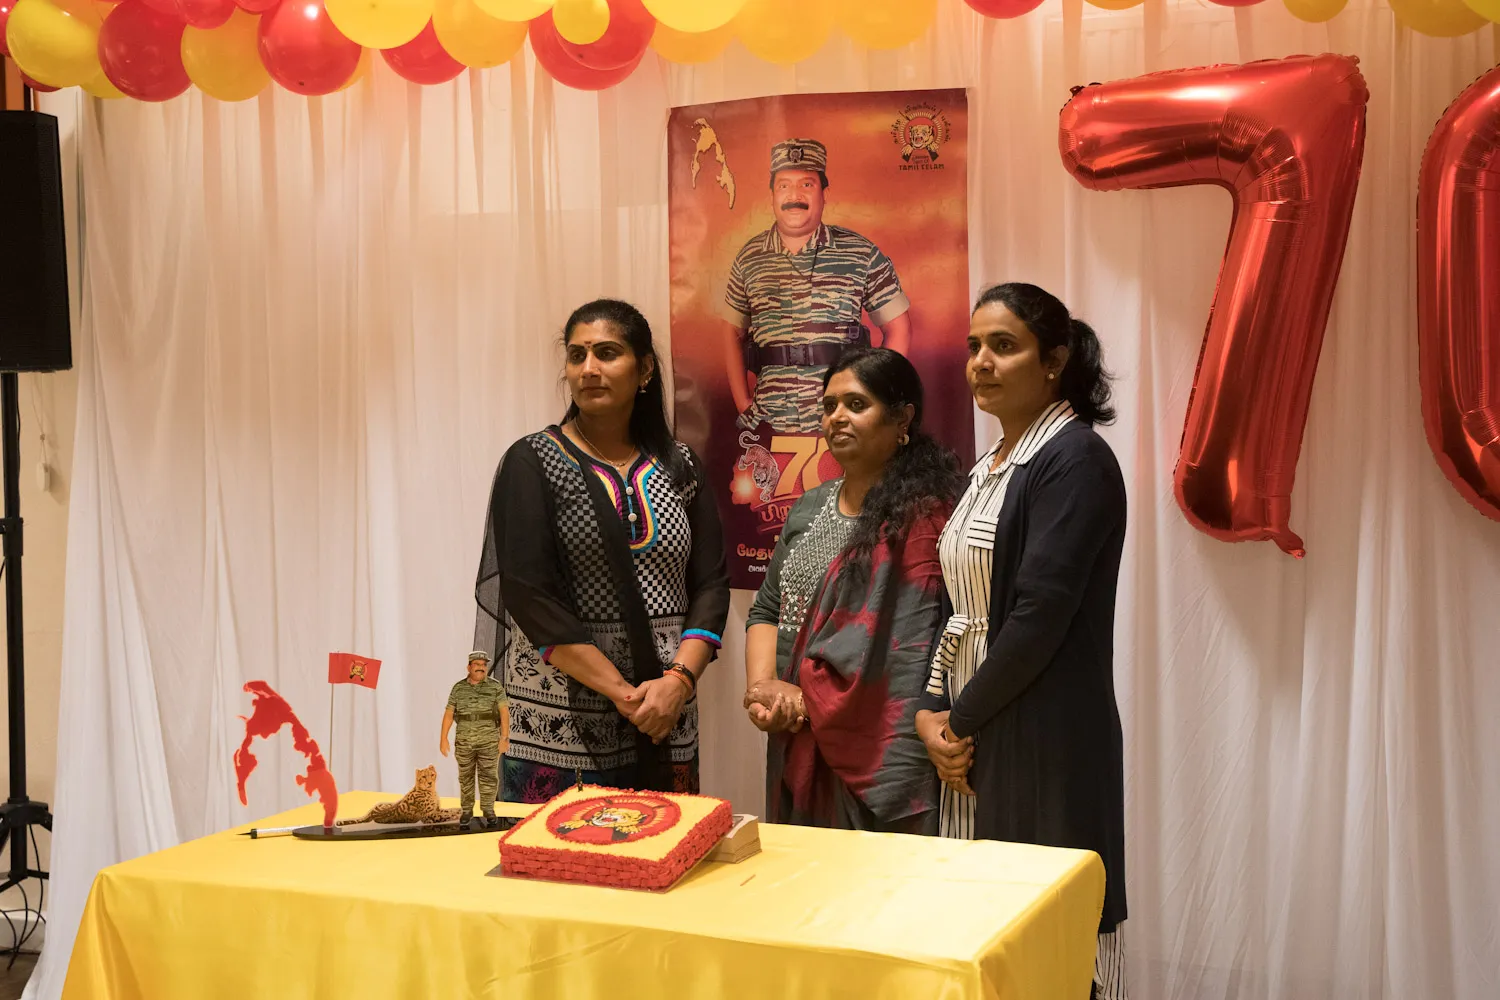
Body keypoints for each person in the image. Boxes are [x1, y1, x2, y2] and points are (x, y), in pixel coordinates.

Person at [915, 283, 1130, 1000]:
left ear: (1054, 360)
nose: (981, 361)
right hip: (975, 730)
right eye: (974, 346)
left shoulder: (1076, 460)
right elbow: (956, 606)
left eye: (1004, 346)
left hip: (1041, 735)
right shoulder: (988, 466)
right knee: (985, 935)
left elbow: (1039, 616)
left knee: (1049, 944)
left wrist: (958, 721)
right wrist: (930, 710)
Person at [473, 299, 731, 801]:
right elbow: (530, 595)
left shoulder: (679, 465)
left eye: (607, 353)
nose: (588, 369)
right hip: (558, 729)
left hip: (666, 718)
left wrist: (678, 682)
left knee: (663, 844)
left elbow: (710, 584)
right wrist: (627, 697)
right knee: (558, 850)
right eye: (577, 355)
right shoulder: (534, 462)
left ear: (645, 369)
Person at [744, 347, 962, 832]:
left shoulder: (926, 518)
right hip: (794, 737)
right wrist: (764, 689)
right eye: (829, 406)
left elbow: (912, 655)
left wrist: (806, 699)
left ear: (902, 418)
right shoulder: (808, 506)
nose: (837, 417)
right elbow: (767, 610)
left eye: (856, 404)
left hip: (879, 751)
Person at [720, 138, 913, 434]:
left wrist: (877, 394)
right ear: (772, 194)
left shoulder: (860, 253)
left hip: (844, 423)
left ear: (824, 193)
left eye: (807, 184)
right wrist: (743, 403)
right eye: (784, 185)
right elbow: (732, 332)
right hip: (769, 423)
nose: (794, 195)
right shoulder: (749, 257)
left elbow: (898, 327)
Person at [438, 651, 508, 829]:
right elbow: (449, 714)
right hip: (465, 742)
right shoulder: (458, 688)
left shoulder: (495, 687)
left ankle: (488, 809)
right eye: (477, 664)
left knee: (489, 777)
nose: (481, 668)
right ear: (469, 667)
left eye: (483, 665)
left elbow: (504, 712)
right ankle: (467, 810)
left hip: (489, 741)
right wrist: (443, 738)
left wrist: (504, 737)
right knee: (465, 777)